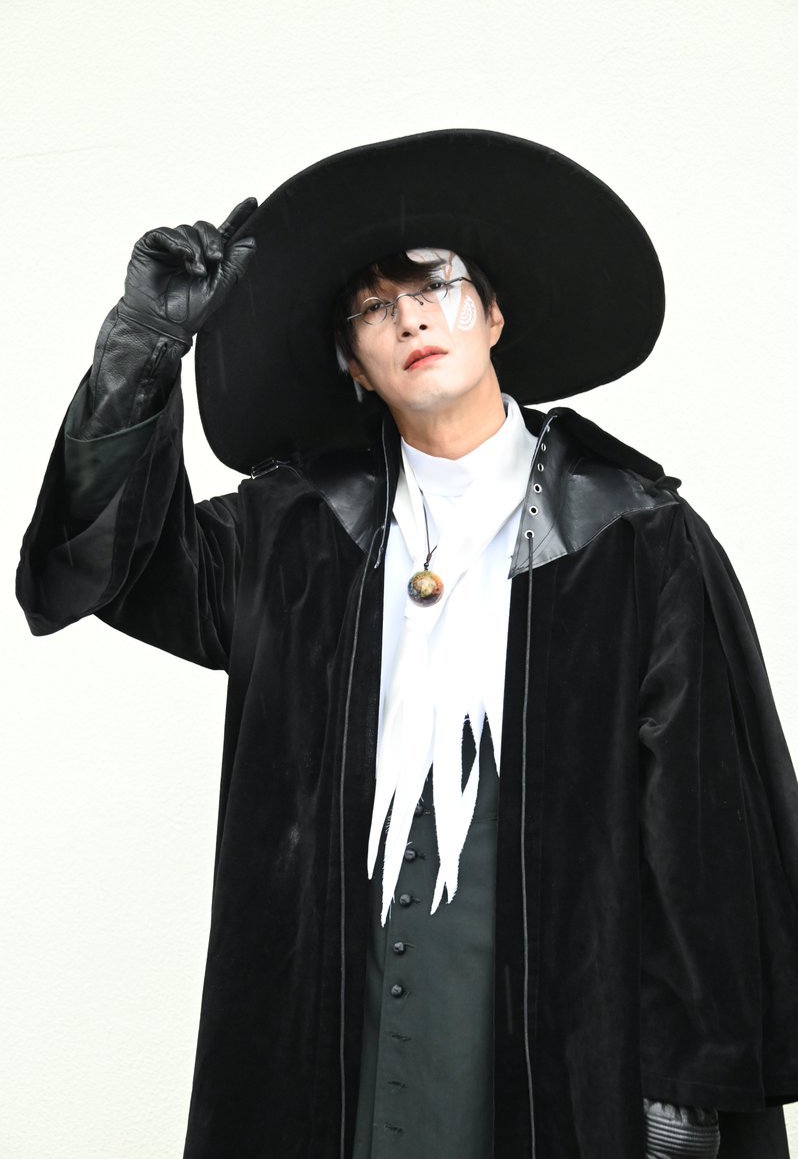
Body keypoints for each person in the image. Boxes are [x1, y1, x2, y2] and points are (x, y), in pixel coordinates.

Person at [17, 130, 798, 1159]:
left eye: (437, 285)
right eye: (374, 306)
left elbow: (708, 836)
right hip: (329, 1047)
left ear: (494, 314)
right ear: (353, 362)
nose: (413, 316)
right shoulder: (298, 533)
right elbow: (110, 566)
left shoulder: (637, 538)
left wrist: (685, 1089)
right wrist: (142, 344)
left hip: (557, 1055)